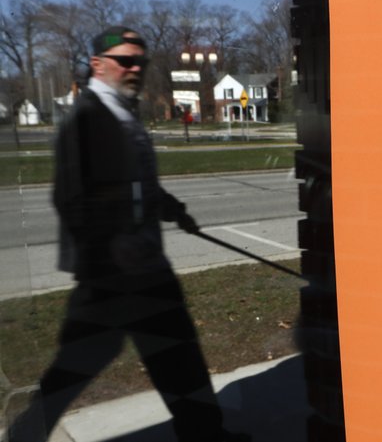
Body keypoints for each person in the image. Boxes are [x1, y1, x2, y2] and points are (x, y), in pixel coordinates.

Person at [8, 26, 250, 442]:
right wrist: (110, 250)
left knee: (179, 358)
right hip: (110, 275)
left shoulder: (124, 113)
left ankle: (206, 435)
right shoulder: (85, 119)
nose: (135, 68)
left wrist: (176, 212)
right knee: (79, 364)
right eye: (125, 60)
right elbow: (70, 200)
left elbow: (139, 183)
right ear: (97, 65)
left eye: (141, 61)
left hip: (146, 268)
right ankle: (25, 435)